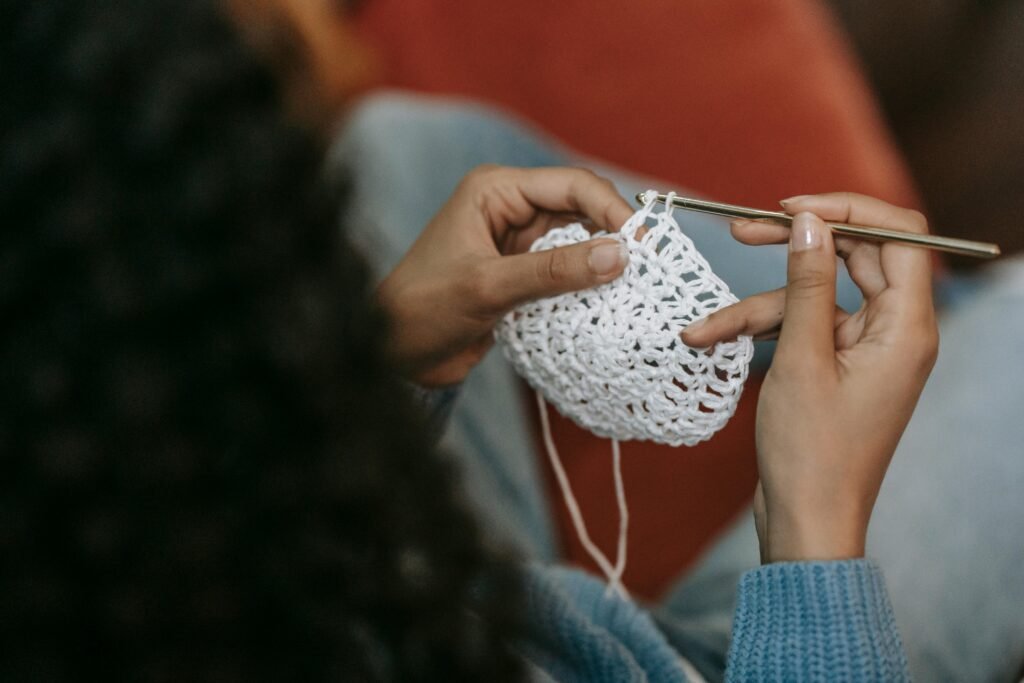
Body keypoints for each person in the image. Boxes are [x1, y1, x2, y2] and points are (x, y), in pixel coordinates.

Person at [2, 0, 944, 679]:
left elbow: (310, 551)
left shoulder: (123, 535)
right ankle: (928, 314)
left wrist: (381, 368)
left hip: (526, 617)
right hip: (745, 649)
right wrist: (816, 537)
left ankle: (895, 312)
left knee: (395, 148)